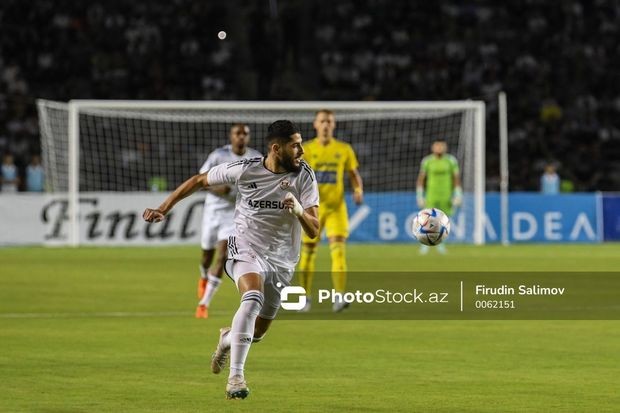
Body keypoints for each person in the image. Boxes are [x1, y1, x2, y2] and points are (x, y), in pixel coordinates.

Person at [143, 120, 319, 400]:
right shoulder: (246, 168)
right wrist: (163, 208)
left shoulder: (305, 177)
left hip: (282, 260)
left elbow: (314, 231)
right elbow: (199, 180)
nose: (302, 150)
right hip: (246, 247)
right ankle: (236, 377)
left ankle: (227, 339)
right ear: (276, 148)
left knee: (257, 333)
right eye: (295, 145)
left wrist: (298, 210)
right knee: (252, 297)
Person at [297, 109, 363, 312]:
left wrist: (358, 189)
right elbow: (294, 175)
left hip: (336, 208)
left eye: (329, 121)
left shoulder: (344, 149)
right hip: (311, 208)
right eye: (322, 121)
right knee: (308, 253)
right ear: (315, 125)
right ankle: (305, 298)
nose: (325, 125)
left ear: (333, 125)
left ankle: (340, 297)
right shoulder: (305, 149)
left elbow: (353, 174)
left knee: (338, 251)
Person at [195, 124, 262, 319]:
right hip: (213, 211)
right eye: (237, 134)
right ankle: (203, 275)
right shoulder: (218, 155)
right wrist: (218, 189)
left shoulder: (256, 158)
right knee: (207, 255)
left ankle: (203, 304)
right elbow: (201, 180)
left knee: (223, 255)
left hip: (234, 215)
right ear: (231, 137)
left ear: (248, 138)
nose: (241, 137)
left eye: (245, 134)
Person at [416, 140, 462, 254]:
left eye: (442, 146)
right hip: (431, 194)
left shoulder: (451, 161)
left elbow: (455, 178)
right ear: (433, 147)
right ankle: (425, 244)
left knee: (444, 220)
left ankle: (441, 244)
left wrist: (457, 193)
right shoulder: (427, 161)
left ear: (445, 147)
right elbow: (421, 179)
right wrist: (420, 195)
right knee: (427, 219)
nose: (439, 148)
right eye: (437, 145)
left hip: (446, 195)